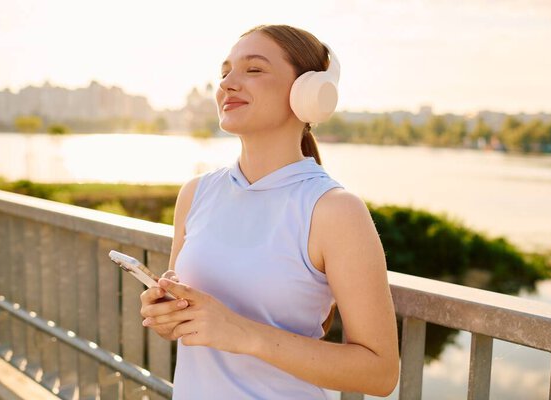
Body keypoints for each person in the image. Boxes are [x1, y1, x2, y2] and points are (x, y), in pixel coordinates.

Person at [139, 24, 399, 399]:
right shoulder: (196, 193)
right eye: (225, 71)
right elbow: (197, 321)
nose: (229, 83)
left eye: (254, 69)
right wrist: (169, 315)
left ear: (309, 94)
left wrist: (243, 333)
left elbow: (380, 373)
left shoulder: (334, 210)